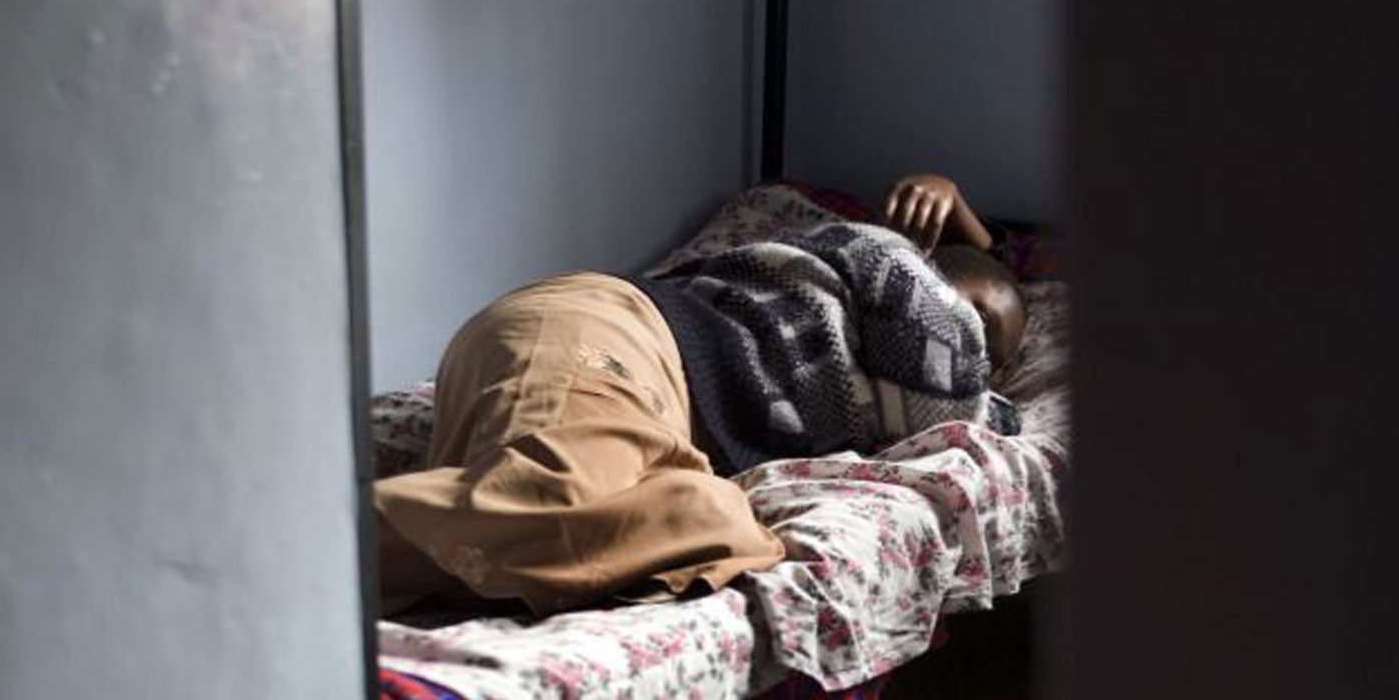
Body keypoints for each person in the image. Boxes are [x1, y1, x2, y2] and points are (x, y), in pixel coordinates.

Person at [374, 171, 1029, 617]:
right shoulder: (887, 267)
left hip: (646, 410)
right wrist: (959, 206)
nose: (978, 356)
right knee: (558, 496)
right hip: (608, 339)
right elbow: (959, 339)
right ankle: (299, 565)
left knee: (713, 527)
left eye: (995, 359)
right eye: (974, 318)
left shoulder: (905, 378)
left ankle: (380, 556)